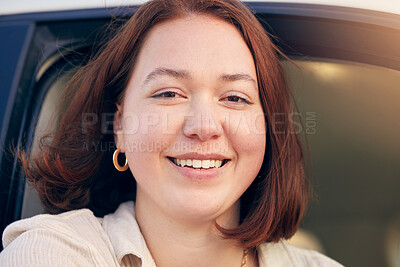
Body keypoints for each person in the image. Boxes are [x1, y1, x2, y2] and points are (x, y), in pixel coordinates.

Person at [0, 0, 343, 266]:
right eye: (168, 94)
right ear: (119, 125)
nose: (203, 127)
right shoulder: (51, 253)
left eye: (235, 98)